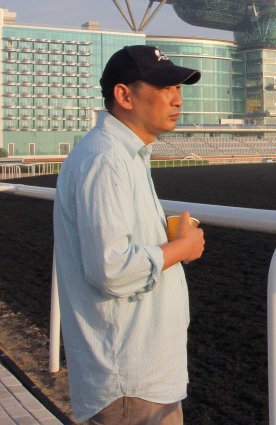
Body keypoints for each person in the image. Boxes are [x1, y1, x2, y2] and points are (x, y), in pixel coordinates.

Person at [53, 45, 206, 423]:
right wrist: (181, 248)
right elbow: (111, 268)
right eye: (164, 87)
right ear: (124, 95)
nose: (177, 98)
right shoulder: (106, 159)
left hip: (140, 376)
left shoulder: (125, 154)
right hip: (129, 383)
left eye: (179, 88)